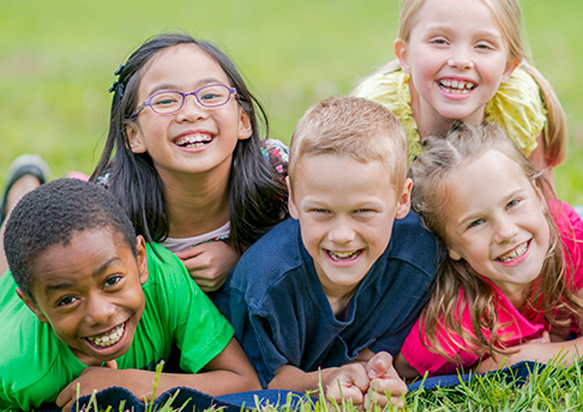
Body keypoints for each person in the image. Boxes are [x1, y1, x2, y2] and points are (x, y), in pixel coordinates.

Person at [224, 97, 443, 409]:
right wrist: (326, 382)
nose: (341, 235)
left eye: (363, 211)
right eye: (321, 211)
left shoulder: (419, 257)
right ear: (293, 200)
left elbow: (379, 349)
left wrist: (375, 374)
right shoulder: (263, 283)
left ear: (402, 199)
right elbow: (267, 381)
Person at [0, 179, 260, 411]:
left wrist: (127, 383)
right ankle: (23, 187)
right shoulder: (18, 368)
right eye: (67, 300)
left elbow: (244, 381)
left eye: (112, 281)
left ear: (140, 260)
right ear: (35, 308)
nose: (101, 314)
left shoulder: (165, 279)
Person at [396, 122, 583, 378]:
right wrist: (489, 365)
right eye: (477, 223)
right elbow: (404, 368)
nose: (506, 232)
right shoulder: (456, 326)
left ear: (539, 195)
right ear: (450, 245)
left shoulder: (564, 234)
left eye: (513, 203)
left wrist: (526, 357)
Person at [90, 33, 289, 293]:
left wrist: (242, 257)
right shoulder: (108, 206)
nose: (191, 113)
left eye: (210, 95)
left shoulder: (277, 171)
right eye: (165, 101)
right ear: (134, 136)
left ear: (243, 121)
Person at [353, 0, 566, 191]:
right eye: (440, 41)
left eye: (483, 46)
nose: (461, 61)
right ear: (405, 56)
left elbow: (546, 209)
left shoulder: (516, 108)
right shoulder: (377, 116)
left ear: (508, 67)